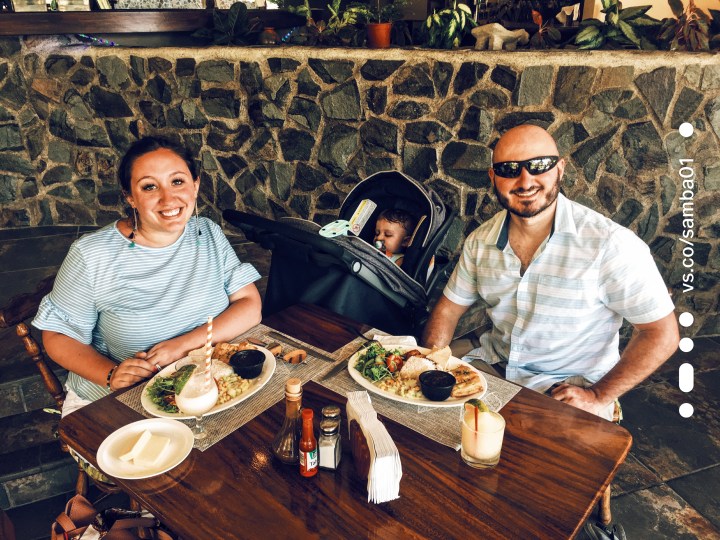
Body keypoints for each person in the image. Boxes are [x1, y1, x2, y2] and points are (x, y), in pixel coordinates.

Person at [422, 124, 678, 421]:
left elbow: (662, 333)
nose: (525, 179)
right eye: (509, 169)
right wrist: (431, 368)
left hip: (569, 388)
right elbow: (448, 310)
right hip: (494, 368)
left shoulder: (610, 244)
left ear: (560, 169)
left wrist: (598, 397)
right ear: (493, 177)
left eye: (539, 166)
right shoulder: (480, 241)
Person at [33, 136, 263, 416]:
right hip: (119, 398)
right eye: (150, 186)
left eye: (177, 181)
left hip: (209, 385)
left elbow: (250, 305)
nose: (168, 198)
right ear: (130, 196)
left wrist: (180, 347)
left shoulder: (208, 233)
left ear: (195, 184)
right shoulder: (92, 254)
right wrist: (111, 374)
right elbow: (57, 335)